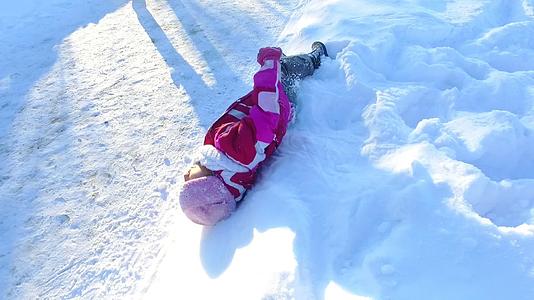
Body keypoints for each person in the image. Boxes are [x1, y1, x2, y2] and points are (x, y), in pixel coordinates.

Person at [179, 42, 328, 225]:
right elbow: (268, 113)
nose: (185, 176)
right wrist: (269, 64)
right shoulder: (235, 151)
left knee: (282, 73)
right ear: (208, 184)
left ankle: (281, 71)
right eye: (190, 183)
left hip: (275, 109)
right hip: (279, 101)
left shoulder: (230, 168)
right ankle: (315, 58)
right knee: (286, 69)